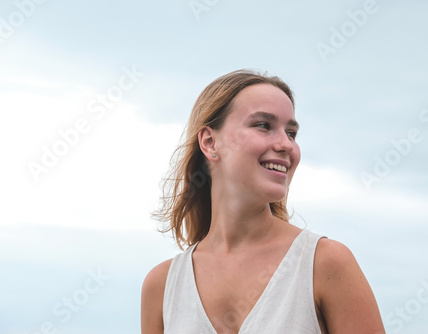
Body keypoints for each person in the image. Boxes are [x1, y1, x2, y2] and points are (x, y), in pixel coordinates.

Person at [141, 69, 385, 334]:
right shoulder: (162, 286)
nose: (286, 145)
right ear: (210, 142)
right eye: (263, 125)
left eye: (291, 133)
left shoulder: (326, 264)